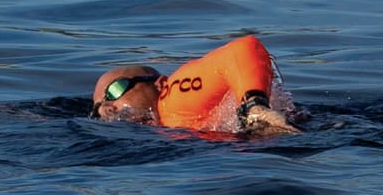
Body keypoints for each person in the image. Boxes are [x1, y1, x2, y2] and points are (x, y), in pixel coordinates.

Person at [92, 32, 297, 136]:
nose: (106, 109)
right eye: (97, 108)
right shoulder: (166, 126)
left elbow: (242, 49)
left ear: (160, 84)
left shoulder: (172, 99)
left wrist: (254, 106)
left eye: (114, 90)